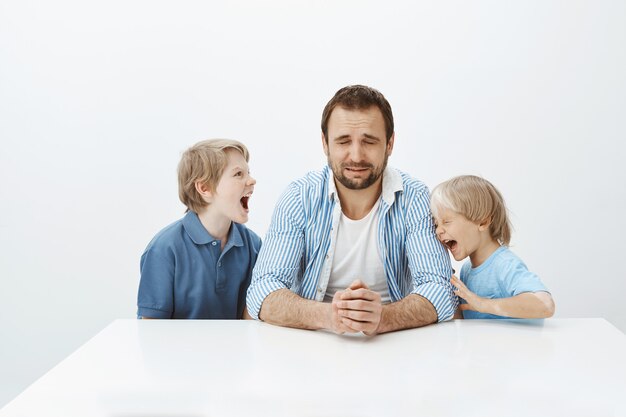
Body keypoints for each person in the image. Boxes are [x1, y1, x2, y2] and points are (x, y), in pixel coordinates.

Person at [246, 85, 456, 335]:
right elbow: (262, 290)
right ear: (325, 143)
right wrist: (329, 316)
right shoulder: (299, 197)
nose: (356, 156)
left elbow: (441, 289)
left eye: (369, 141)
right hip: (312, 344)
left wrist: (384, 318)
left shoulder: (415, 197)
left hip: (395, 342)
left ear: (389, 144)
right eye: (343, 141)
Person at [137, 139, 261, 319]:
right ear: (204, 188)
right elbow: (152, 331)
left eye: (248, 172)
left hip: (235, 347)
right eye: (238, 174)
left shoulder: (253, 246)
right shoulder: (163, 249)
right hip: (176, 348)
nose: (251, 180)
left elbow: (250, 320)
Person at [430, 175, 555, 319]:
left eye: (446, 221)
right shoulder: (466, 270)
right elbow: (466, 317)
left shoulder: (504, 264)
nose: (438, 230)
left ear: (483, 222)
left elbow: (545, 305)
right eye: (436, 224)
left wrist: (482, 304)